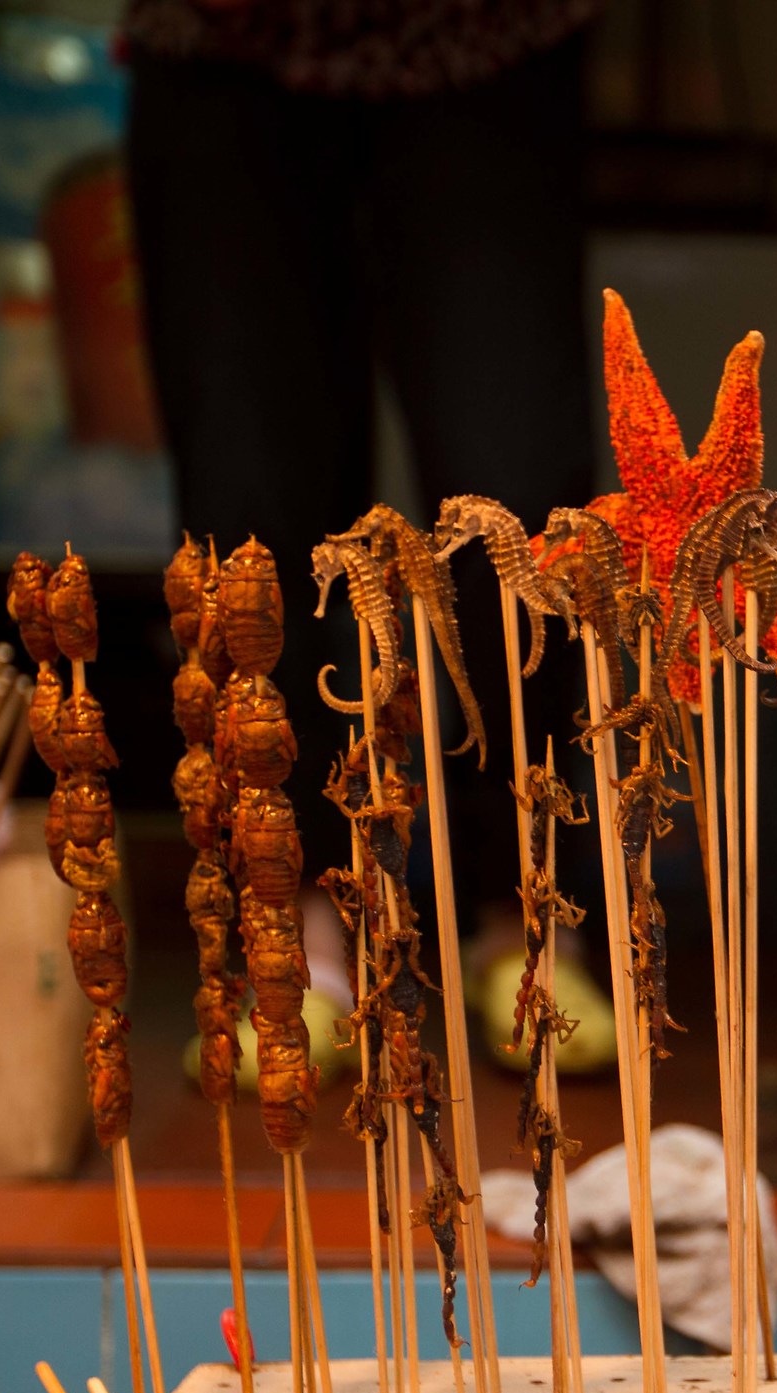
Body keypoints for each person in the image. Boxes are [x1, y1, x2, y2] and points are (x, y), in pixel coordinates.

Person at [123, 0, 602, 911]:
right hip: (216, 44)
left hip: (487, 41)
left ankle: (530, 910)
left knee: (516, 495)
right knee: (246, 501)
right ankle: (289, 912)